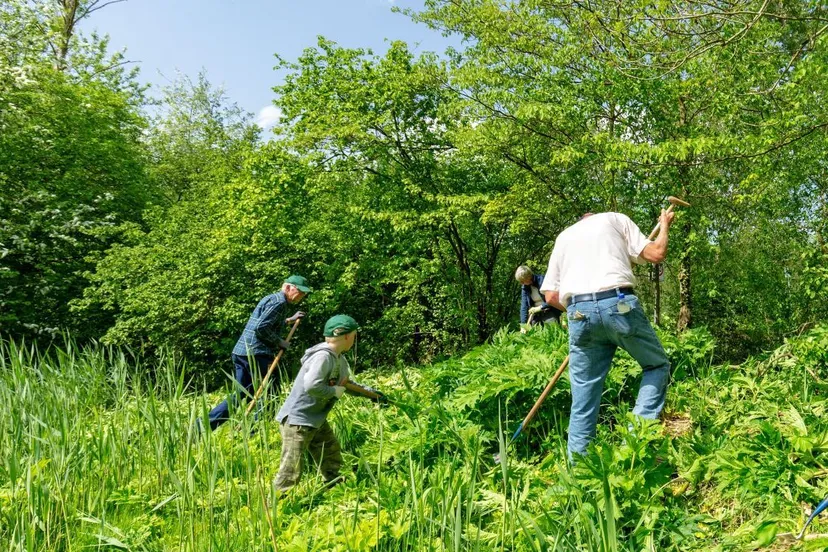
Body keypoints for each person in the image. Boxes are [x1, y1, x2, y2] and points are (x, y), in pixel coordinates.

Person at [540, 210, 675, 457]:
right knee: (656, 365)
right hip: (618, 304)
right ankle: (633, 443)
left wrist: (582, 312)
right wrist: (664, 224)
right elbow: (657, 253)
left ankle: (578, 475)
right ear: (595, 216)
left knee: (583, 398)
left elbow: (550, 295)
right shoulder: (615, 219)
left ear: (581, 219)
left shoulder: (564, 237)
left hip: (578, 312)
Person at [273, 314, 387, 492]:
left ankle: (335, 488)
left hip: (315, 419)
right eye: (354, 336)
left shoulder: (338, 358)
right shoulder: (323, 357)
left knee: (330, 454)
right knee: (291, 468)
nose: (354, 340)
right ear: (347, 336)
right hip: (298, 421)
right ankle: (279, 504)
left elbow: (345, 384)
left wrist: (372, 395)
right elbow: (311, 385)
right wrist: (333, 392)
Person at [204, 274, 311, 430]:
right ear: (288, 287)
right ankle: (256, 431)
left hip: (242, 351)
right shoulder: (280, 303)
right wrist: (279, 341)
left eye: (304, 293)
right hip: (256, 353)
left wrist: (289, 320)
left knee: (242, 393)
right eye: (300, 291)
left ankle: (202, 427)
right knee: (271, 393)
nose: (302, 295)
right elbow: (261, 328)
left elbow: (266, 321)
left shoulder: (272, 298)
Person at [515, 265, 563, 330]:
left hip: (550, 311)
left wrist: (540, 307)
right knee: (535, 333)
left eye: (523, 281)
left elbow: (552, 298)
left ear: (528, 277)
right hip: (536, 315)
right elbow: (524, 306)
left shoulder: (543, 280)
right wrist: (523, 325)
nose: (521, 283)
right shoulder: (525, 287)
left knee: (552, 331)